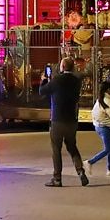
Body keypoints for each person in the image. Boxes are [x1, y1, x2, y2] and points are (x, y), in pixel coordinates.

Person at [39, 57, 88, 187]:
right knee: (72, 146)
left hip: (58, 119)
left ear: (62, 67)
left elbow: (42, 92)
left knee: (56, 149)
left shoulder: (56, 80)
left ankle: (57, 178)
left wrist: (44, 81)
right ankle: (81, 171)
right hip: (71, 119)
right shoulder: (76, 81)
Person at [86, 89, 110, 176]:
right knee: (108, 149)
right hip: (103, 127)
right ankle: (90, 162)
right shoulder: (107, 100)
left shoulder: (101, 98)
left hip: (99, 125)